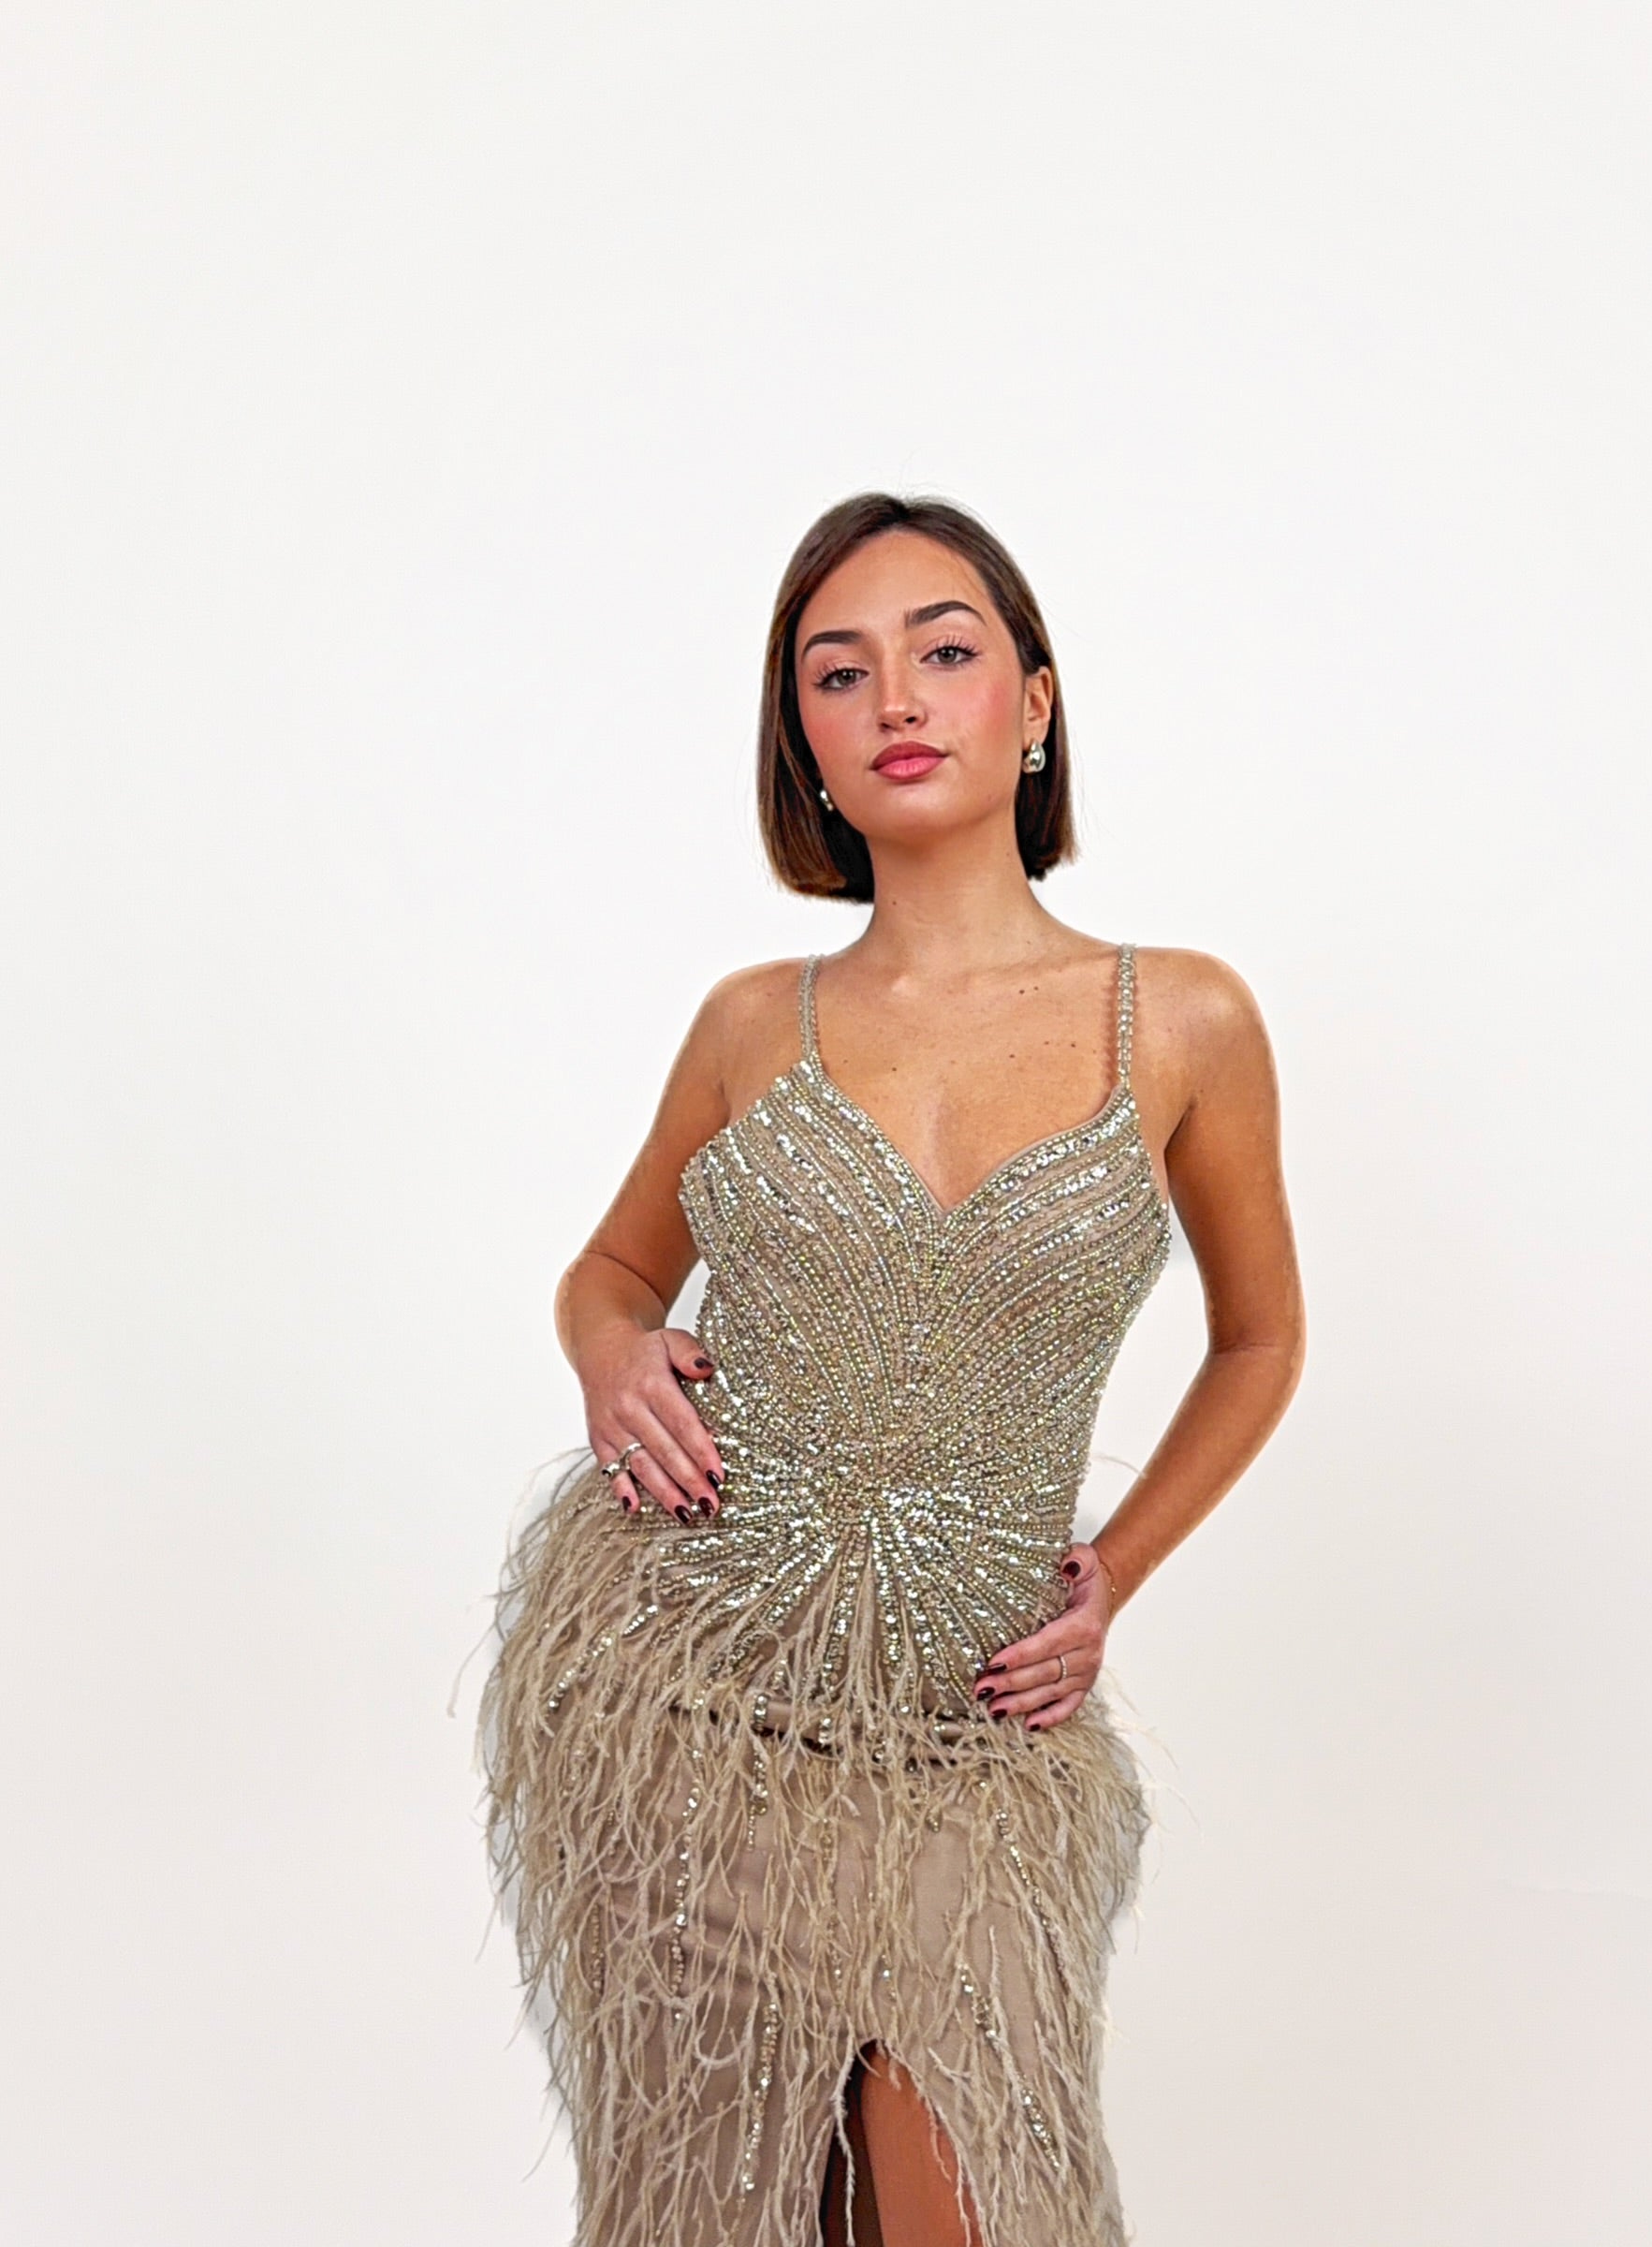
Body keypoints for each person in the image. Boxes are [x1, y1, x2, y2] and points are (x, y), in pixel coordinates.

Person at [479, 492, 1305, 2247]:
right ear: (805, 744)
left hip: (973, 1735)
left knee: (968, 2192)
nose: (898, 699)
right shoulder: (747, 1020)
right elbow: (612, 1270)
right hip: (686, 1707)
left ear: (1035, 701)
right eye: (838, 674)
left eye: (945, 650)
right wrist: (611, 1351)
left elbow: (1261, 1339)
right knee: (740, 2209)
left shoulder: (1183, 1019)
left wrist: (1115, 1571)